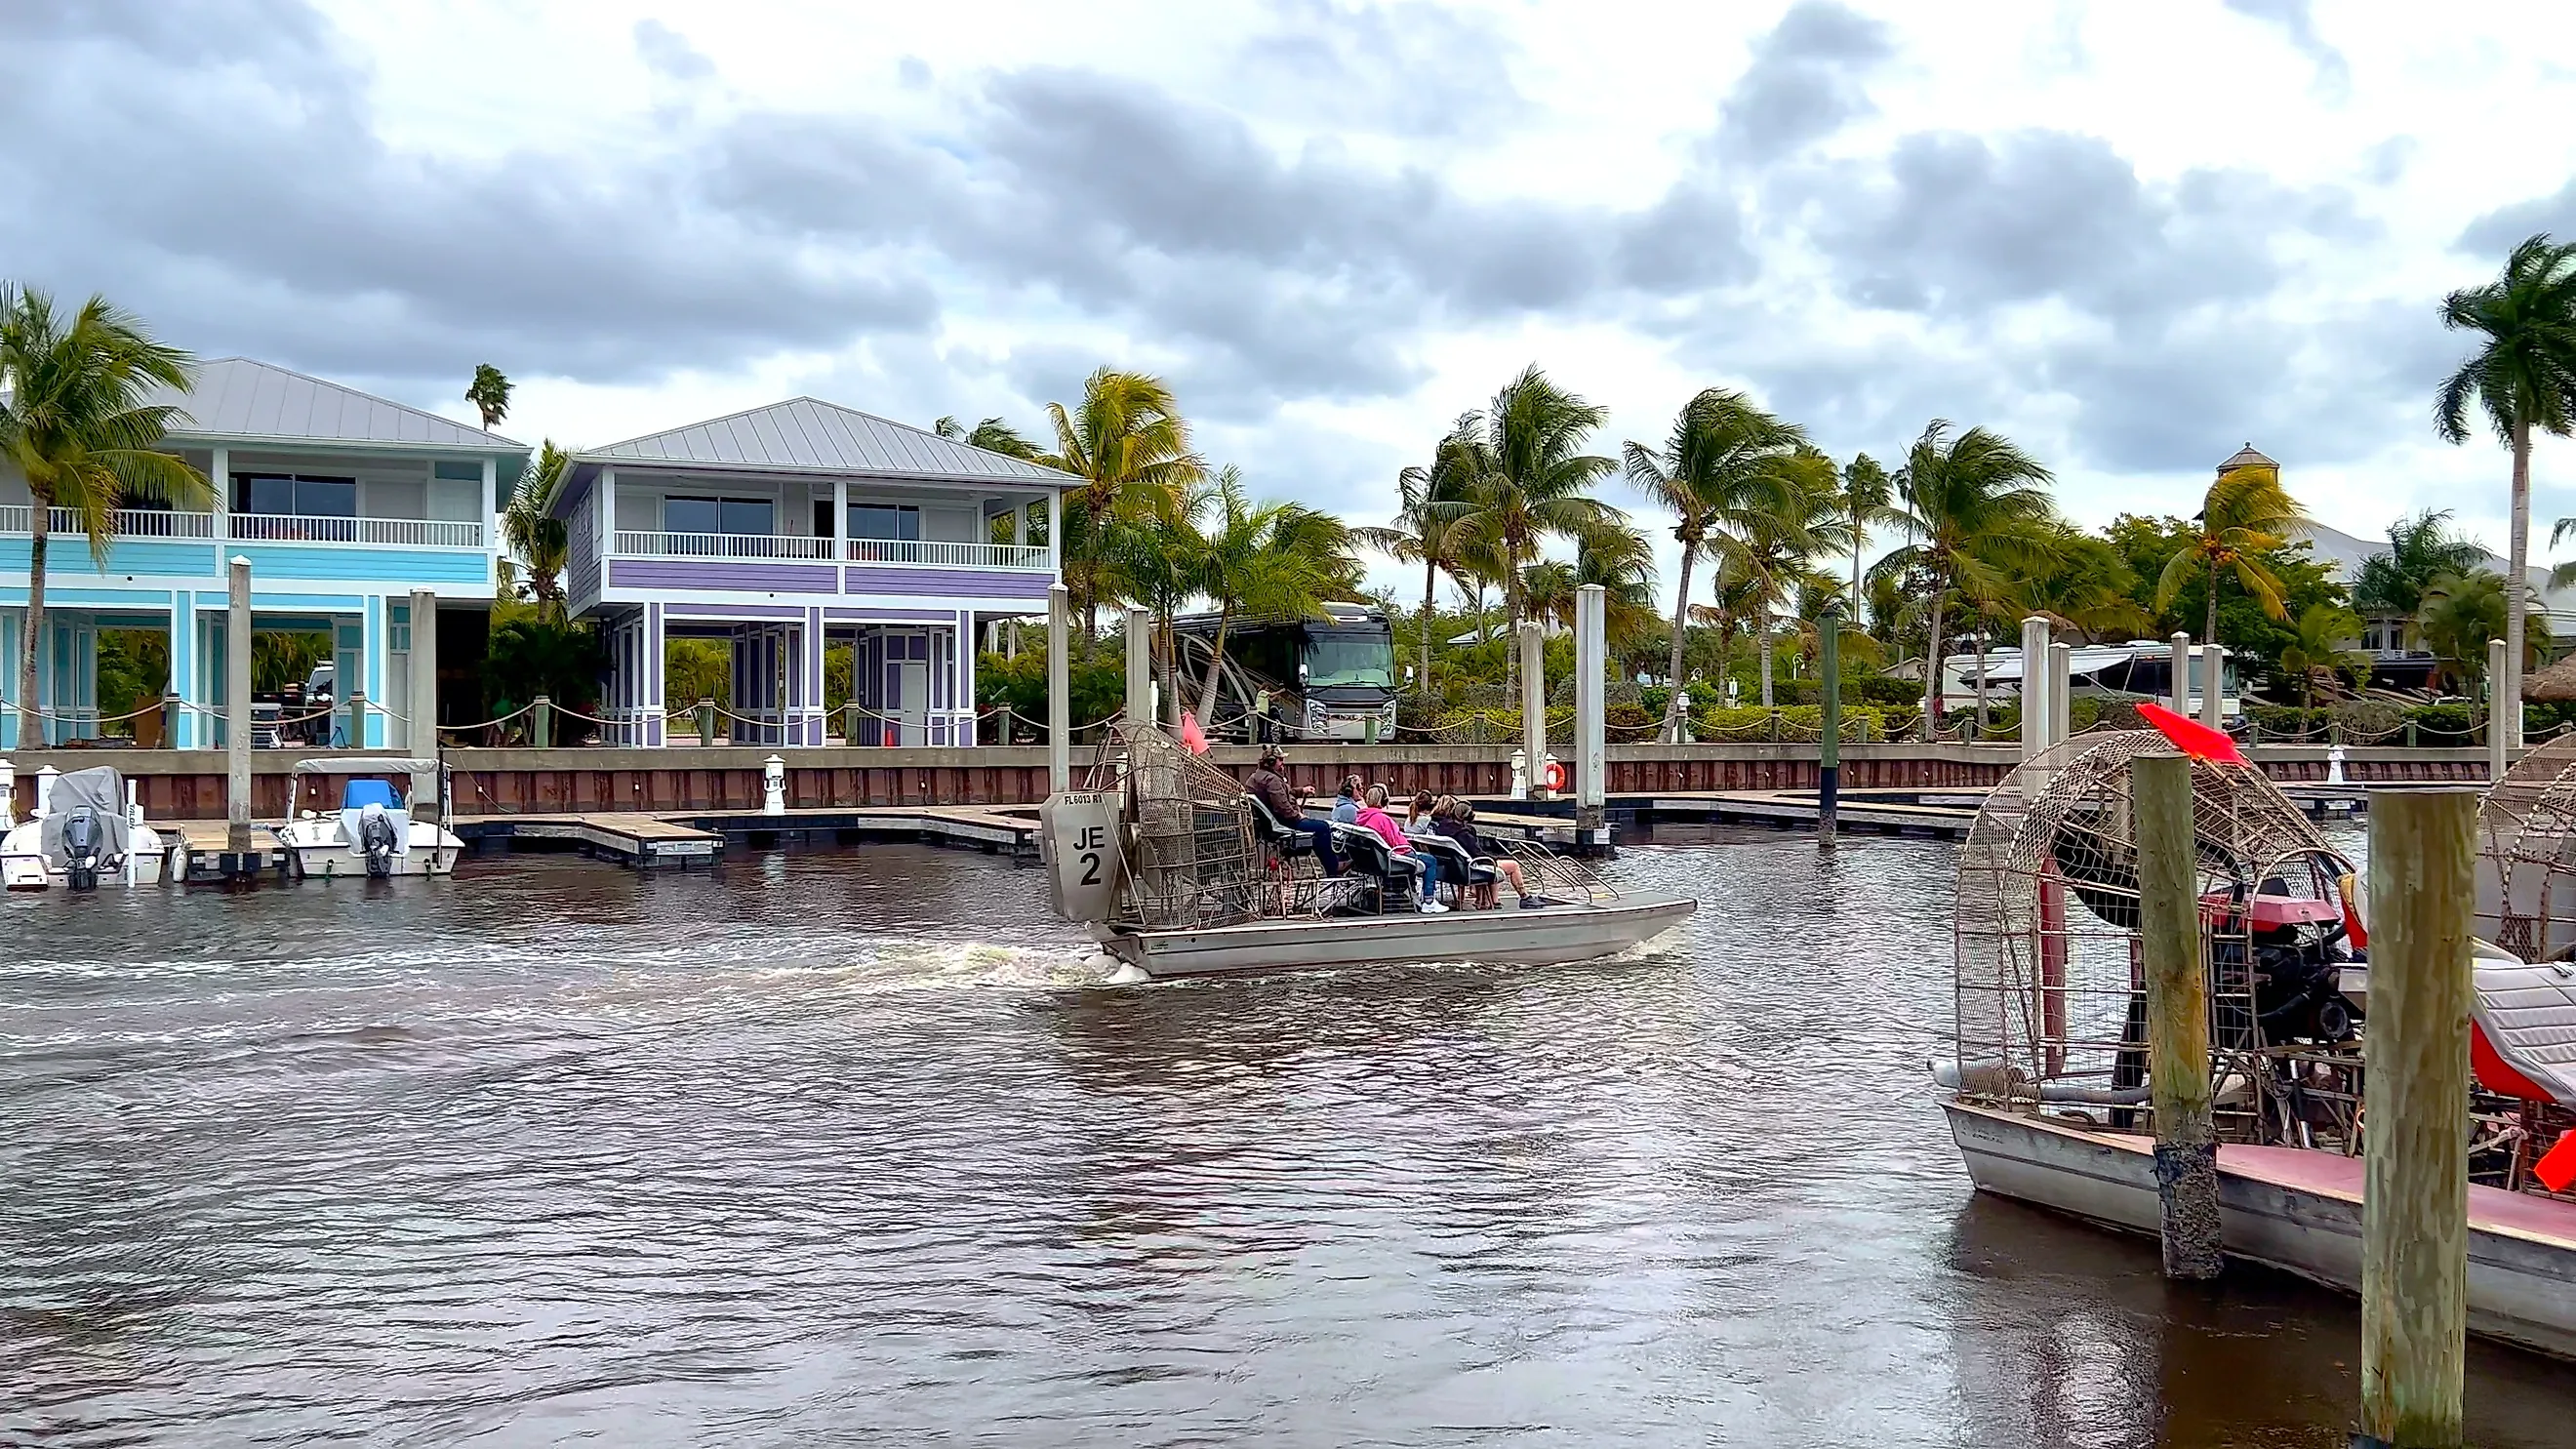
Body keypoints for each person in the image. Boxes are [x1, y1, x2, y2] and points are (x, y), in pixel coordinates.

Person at [1432, 797, 1548, 909]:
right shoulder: (1464, 834)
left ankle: (1488, 901)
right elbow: (1478, 854)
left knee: (1496, 865)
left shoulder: (1442, 828)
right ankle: (1525, 897)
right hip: (1469, 868)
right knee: (1513, 865)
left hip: (1453, 868)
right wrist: (1494, 858)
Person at [1245, 745, 1340, 875]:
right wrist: (1299, 817)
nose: (1283, 764)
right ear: (1273, 762)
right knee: (1322, 828)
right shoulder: (1272, 780)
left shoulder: (1255, 777)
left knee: (1318, 828)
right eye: (1280, 760)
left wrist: (1302, 791)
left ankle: (1331, 866)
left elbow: (1283, 793)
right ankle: (1333, 868)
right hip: (1283, 824)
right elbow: (1282, 807)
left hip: (1268, 824)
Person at [1353, 784, 1445, 912]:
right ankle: (1429, 901)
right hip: (1396, 856)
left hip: (1374, 860)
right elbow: (1396, 843)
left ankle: (1414, 894)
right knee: (1430, 861)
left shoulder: (1361, 817)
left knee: (1423, 858)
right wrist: (1407, 845)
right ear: (1384, 800)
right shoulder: (1382, 819)